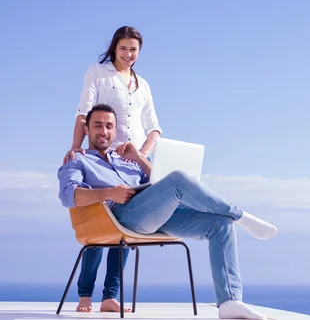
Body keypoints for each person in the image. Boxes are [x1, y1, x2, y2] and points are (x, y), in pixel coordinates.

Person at [58, 104, 277, 320]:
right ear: (87, 130)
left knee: (220, 224)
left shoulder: (128, 159)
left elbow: (160, 183)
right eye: (98, 125)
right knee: (179, 178)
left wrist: (140, 159)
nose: (104, 131)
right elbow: (69, 195)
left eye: (109, 126)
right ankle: (241, 216)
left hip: (157, 215)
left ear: (116, 131)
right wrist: (110, 193)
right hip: (121, 217)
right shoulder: (78, 159)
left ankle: (230, 302)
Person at [63, 26, 162, 313]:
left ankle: (111, 296)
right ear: (114, 48)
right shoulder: (98, 72)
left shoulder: (143, 84)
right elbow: (84, 113)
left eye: (134, 50)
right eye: (123, 48)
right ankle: (85, 295)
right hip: (101, 158)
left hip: (133, 164)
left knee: (127, 226)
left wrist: (141, 155)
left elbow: (154, 127)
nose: (128, 54)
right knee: (98, 222)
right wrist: (76, 147)